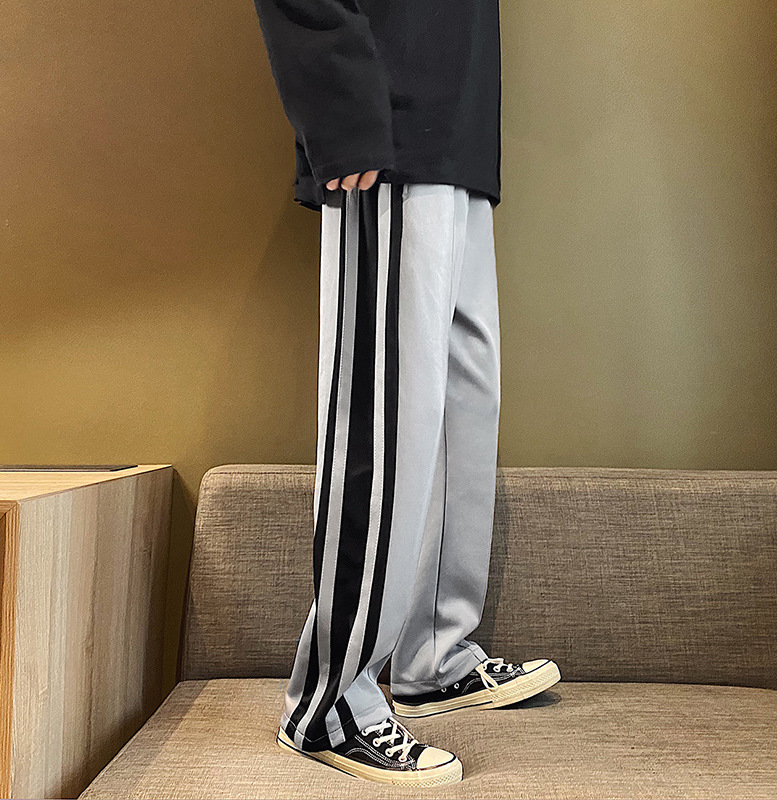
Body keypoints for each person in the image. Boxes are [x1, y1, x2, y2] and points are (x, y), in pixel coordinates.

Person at [251, 0, 561, 786]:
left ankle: (433, 655)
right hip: (384, 120)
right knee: (385, 418)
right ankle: (327, 704)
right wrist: (341, 107)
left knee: (460, 406)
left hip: (457, 125)